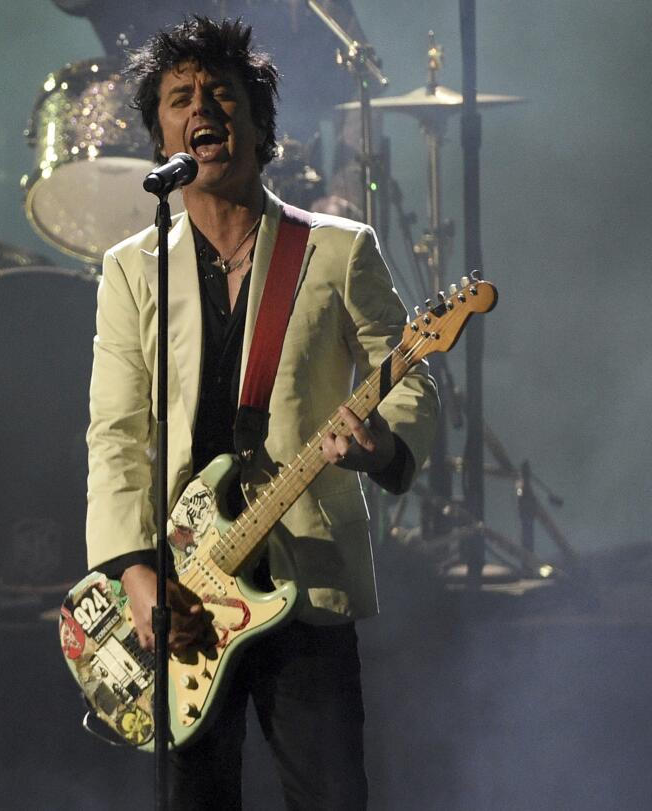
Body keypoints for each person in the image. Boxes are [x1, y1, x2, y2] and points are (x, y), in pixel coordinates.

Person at [84, 16, 438, 810]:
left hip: (303, 577)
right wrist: (137, 575)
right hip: (185, 594)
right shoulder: (131, 269)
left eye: (221, 93)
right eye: (180, 98)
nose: (202, 106)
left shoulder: (338, 249)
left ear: (257, 120)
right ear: (162, 135)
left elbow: (410, 375)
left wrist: (383, 447)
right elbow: (116, 436)